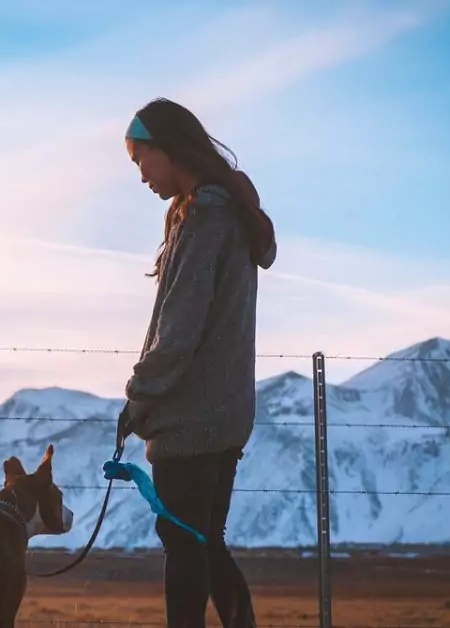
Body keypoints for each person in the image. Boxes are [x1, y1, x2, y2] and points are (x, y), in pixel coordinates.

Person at [115, 97, 277, 628]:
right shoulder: (220, 215)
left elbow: (178, 331)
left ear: (167, 149)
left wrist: (140, 396)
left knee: (184, 545)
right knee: (203, 542)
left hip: (191, 417)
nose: (140, 176)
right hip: (225, 413)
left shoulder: (204, 219)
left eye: (141, 160)